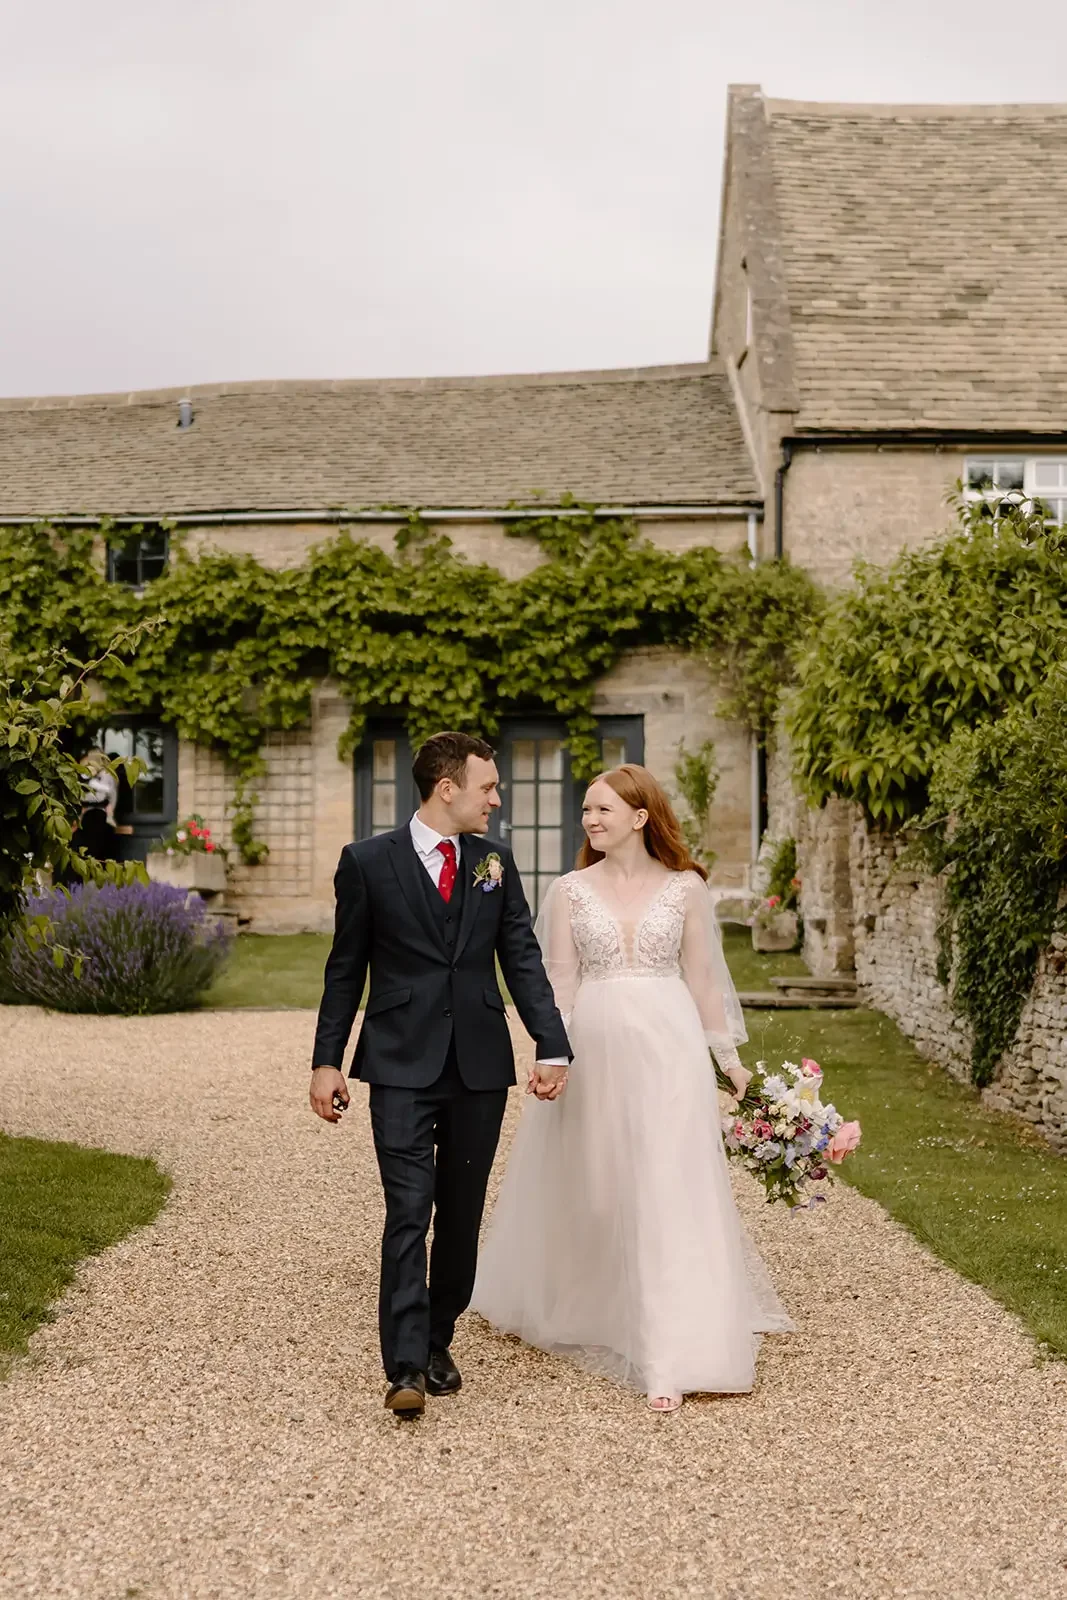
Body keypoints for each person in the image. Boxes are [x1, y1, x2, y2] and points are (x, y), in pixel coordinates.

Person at [472, 763, 793, 1412]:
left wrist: (729, 1065)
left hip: (668, 1049)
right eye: (586, 810)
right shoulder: (568, 890)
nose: (589, 820)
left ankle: (668, 1351)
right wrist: (550, 1053)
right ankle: (595, 1306)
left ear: (641, 817)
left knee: (666, 1185)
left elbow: (703, 984)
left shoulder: (685, 889)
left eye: (602, 810)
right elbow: (557, 983)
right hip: (594, 1050)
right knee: (598, 1186)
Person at [309, 731, 571, 1419]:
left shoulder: (494, 864)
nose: (496, 797)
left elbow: (520, 958)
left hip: (479, 1065)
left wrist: (552, 1044)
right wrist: (326, 1059)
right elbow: (345, 968)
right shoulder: (367, 863)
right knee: (406, 1211)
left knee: (458, 1216)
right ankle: (402, 1368)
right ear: (446, 787)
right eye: (487, 786)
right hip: (397, 1060)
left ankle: (436, 1337)